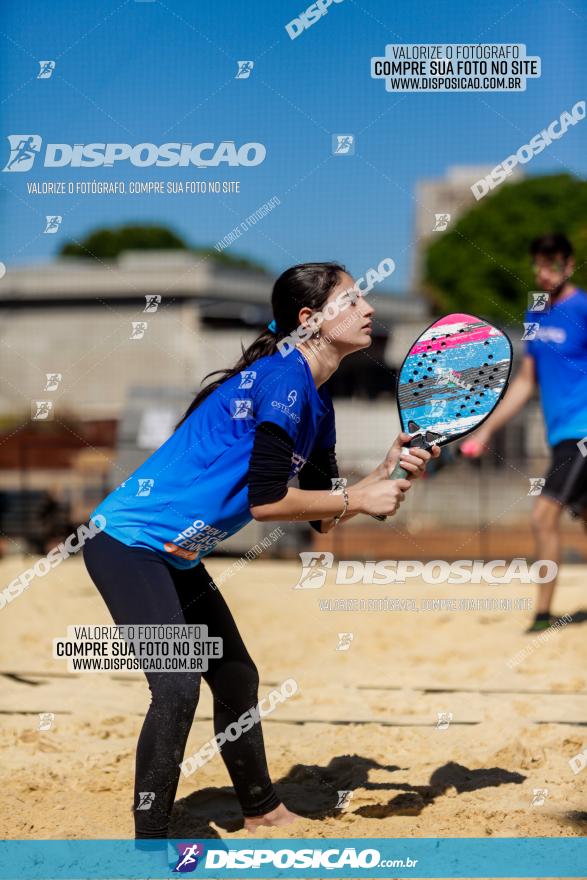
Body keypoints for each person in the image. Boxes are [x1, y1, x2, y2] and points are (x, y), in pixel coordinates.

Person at [82, 262, 440, 838]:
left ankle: (262, 808)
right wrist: (358, 494)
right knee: (175, 682)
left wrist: (384, 472)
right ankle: (147, 844)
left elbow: (320, 518)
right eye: (351, 300)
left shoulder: (317, 401)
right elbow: (268, 503)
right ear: (310, 320)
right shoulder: (284, 380)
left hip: (174, 553)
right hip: (126, 543)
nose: (368, 309)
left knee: (236, 678)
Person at [462, 234, 587, 632]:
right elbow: (525, 382)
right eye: (538, 264)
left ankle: (542, 615)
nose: (543, 272)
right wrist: (486, 429)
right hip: (559, 435)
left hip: (583, 432)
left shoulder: (583, 307)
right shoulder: (534, 312)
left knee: (542, 515)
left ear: (569, 266)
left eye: (552, 264)